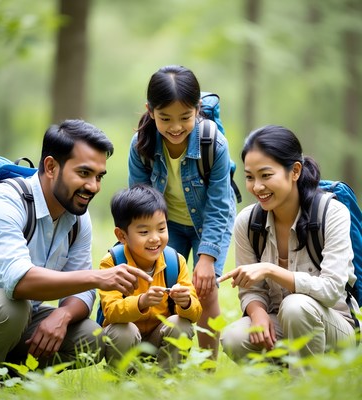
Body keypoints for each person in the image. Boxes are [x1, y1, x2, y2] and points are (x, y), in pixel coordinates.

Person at [0, 119, 152, 381]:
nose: (94, 187)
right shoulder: (3, 202)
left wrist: (63, 314)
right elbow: (19, 283)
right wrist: (100, 276)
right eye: (84, 173)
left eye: (99, 177)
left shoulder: (76, 216)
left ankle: (8, 381)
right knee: (10, 308)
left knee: (91, 336)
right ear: (51, 167)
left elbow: (83, 292)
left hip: (15, 319)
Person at [218, 125, 358, 375]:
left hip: (335, 327)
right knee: (235, 337)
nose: (257, 187)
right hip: (281, 323)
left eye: (266, 175)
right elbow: (250, 291)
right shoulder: (248, 222)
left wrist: (270, 269)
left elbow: (330, 290)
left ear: (294, 171)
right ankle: (284, 380)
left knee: (295, 306)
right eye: (250, 177)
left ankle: (308, 385)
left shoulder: (331, 213)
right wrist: (258, 313)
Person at [128, 65, 236, 359]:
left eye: (185, 118)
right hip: (165, 225)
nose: (175, 127)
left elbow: (220, 205)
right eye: (165, 118)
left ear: (198, 110)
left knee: (204, 288)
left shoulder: (213, 143)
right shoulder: (141, 145)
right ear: (150, 111)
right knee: (160, 284)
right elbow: (138, 203)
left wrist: (207, 257)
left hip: (208, 223)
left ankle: (208, 368)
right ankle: (156, 359)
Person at [98, 184, 202, 372]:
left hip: (158, 339)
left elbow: (195, 313)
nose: (155, 238)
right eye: (144, 232)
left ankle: (164, 380)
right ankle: (123, 380)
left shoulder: (175, 261)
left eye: (161, 229)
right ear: (122, 235)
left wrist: (186, 302)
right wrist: (141, 302)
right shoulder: (112, 263)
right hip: (126, 341)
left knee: (181, 324)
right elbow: (111, 312)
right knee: (123, 330)